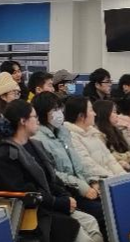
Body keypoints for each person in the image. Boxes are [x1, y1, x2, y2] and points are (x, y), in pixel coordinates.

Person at [0, 100, 130, 242]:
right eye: (34, 117)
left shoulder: (33, 145)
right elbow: (24, 193)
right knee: (74, 230)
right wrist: (60, 203)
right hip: (31, 214)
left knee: (91, 222)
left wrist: (65, 197)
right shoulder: (5, 154)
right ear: (23, 121)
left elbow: (52, 179)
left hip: (49, 206)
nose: (37, 121)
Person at [31, 92, 105, 233]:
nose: (59, 113)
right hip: (67, 191)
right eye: (54, 110)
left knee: (113, 205)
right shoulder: (38, 139)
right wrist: (83, 188)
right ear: (42, 113)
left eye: (59, 108)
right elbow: (53, 173)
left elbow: (78, 162)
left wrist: (92, 181)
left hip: (83, 186)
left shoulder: (63, 132)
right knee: (103, 212)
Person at [66, 96, 125, 180]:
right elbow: (89, 166)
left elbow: (110, 160)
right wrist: (113, 179)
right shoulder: (72, 137)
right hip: (102, 181)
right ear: (81, 115)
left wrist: (123, 176)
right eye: (91, 110)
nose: (95, 114)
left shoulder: (93, 133)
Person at [93, 99, 130, 171]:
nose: (117, 115)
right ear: (105, 114)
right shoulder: (97, 134)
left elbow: (127, 150)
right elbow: (108, 156)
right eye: (114, 112)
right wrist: (127, 157)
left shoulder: (118, 130)